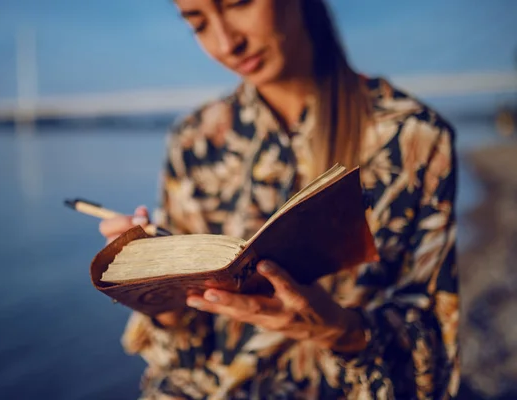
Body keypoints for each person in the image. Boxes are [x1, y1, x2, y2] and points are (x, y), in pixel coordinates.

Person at [99, 0, 459, 398]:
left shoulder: (414, 138)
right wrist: (158, 297)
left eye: (238, 3)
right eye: (198, 23)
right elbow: (184, 353)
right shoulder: (194, 139)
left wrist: (343, 331)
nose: (226, 43)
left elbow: (434, 348)